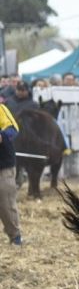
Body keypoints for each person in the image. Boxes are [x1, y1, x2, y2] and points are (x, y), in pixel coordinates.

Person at [0, 103, 22, 246]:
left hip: (3, 165)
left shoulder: (0, 109)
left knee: (5, 202)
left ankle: (15, 236)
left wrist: (2, 135)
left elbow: (13, 129)